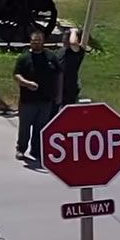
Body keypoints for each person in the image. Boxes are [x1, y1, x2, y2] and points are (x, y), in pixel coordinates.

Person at [12, 31, 60, 165]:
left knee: (41, 127)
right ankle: (21, 149)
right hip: (28, 100)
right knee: (25, 127)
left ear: (43, 41)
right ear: (30, 42)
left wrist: (58, 94)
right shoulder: (24, 58)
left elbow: (59, 74)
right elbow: (16, 75)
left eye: (38, 40)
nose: (36, 43)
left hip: (46, 100)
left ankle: (36, 151)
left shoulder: (51, 57)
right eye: (33, 40)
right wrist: (27, 83)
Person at [56, 24, 89, 109]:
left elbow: (73, 43)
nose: (65, 39)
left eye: (67, 37)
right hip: (58, 85)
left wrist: (74, 31)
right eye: (64, 37)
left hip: (69, 87)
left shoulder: (77, 52)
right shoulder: (60, 51)